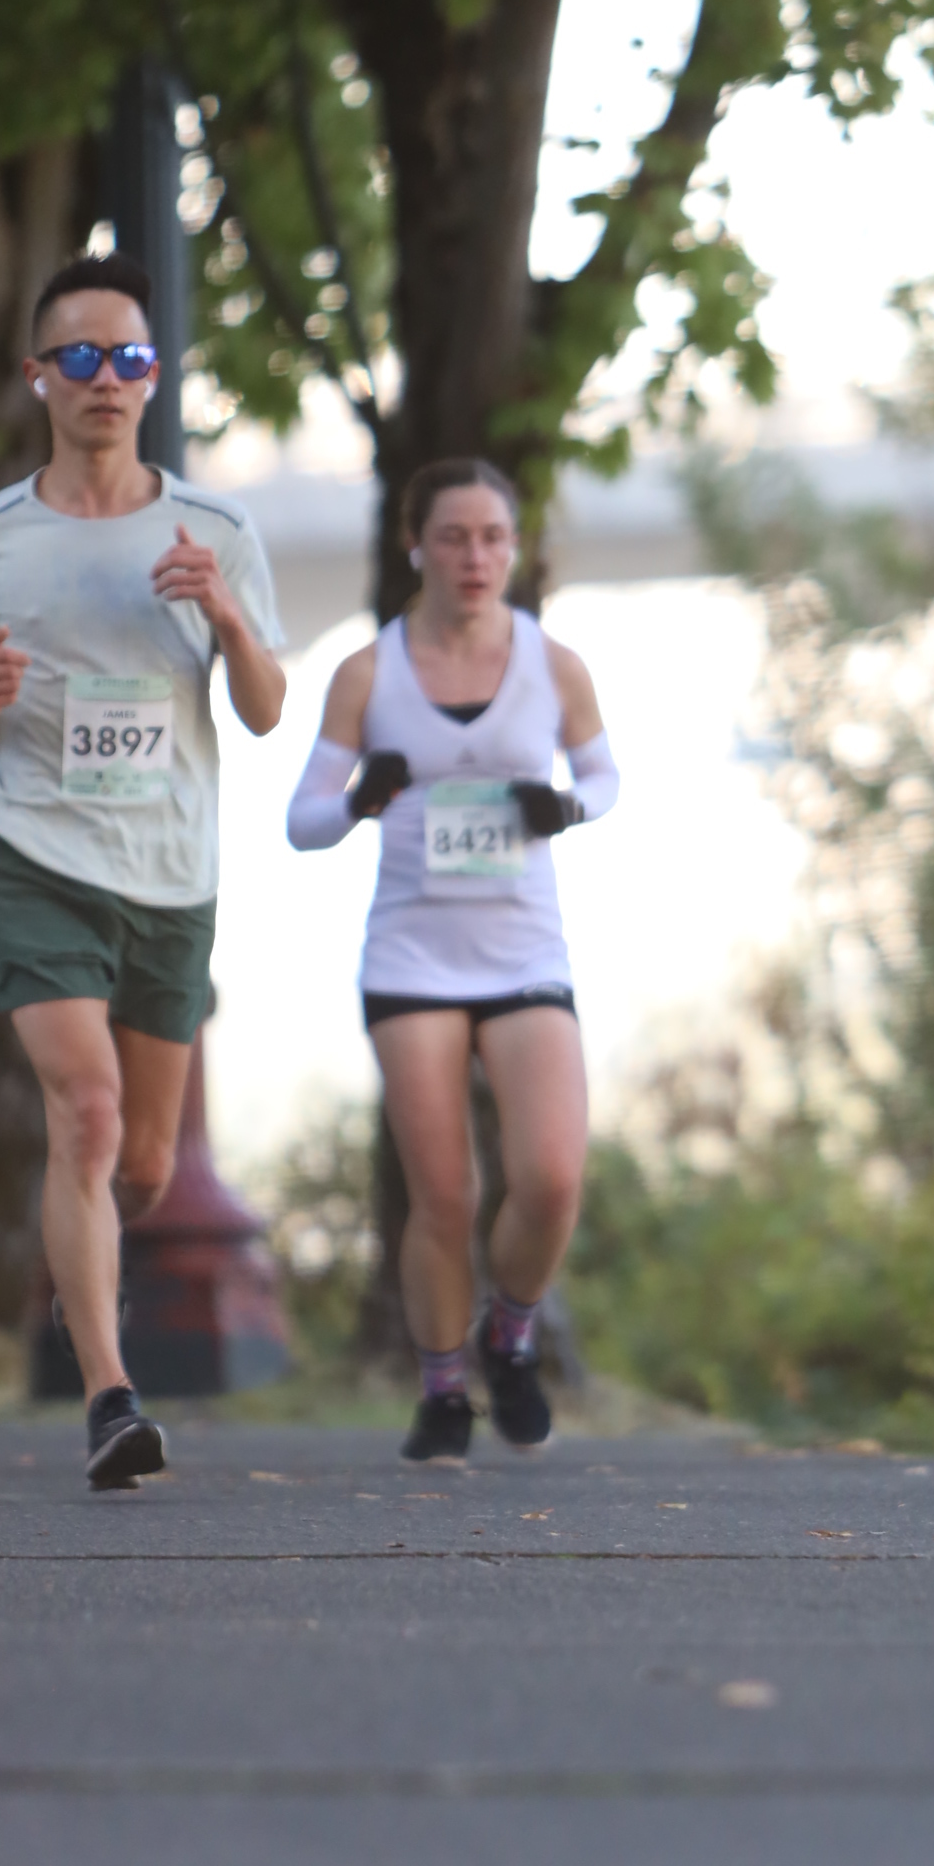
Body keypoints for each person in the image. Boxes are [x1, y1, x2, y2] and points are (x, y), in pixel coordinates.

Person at [0, 250, 287, 1491]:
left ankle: (81, 1262)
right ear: (39, 375)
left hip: (169, 877)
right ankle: (110, 1397)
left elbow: (266, 709)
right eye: (79, 356)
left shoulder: (217, 533)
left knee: (141, 1163)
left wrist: (226, 617)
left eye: (128, 357)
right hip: (39, 861)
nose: (105, 378)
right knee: (83, 1111)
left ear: (153, 376)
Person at [286, 460, 618, 1462]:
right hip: (413, 961)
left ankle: (508, 1335)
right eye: (453, 537)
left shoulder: (553, 665)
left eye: (493, 538)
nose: (475, 557)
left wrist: (567, 807)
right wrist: (358, 800)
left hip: (523, 954)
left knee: (551, 1177)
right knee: (445, 1195)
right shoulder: (368, 673)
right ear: (415, 545)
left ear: (515, 550)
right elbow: (303, 820)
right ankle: (441, 1390)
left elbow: (604, 774)